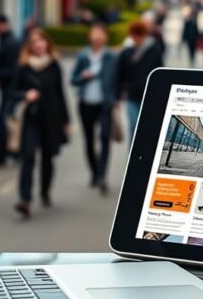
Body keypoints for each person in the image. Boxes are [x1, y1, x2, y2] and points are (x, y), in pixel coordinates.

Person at [13, 29, 70, 216]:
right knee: (28, 155)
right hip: (30, 117)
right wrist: (25, 95)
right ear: (29, 46)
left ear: (47, 44)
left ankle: (45, 191)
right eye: (34, 42)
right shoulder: (23, 66)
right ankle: (25, 200)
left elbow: (60, 94)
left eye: (41, 41)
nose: (38, 45)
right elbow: (12, 92)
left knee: (48, 157)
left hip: (51, 117)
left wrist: (66, 120)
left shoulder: (54, 65)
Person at [70, 23, 117, 193]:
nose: (97, 36)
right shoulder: (83, 56)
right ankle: (94, 172)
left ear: (105, 37)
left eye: (100, 33)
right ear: (90, 36)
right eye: (94, 33)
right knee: (89, 139)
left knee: (104, 138)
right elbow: (73, 80)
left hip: (104, 104)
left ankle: (102, 176)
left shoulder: (111, 57)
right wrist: (83, 76)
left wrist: (116, 98)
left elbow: (118, 80)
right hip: (85, 103)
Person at [117, 20, 165, 138]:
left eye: (138, 35)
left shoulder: (154, 50)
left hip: (148, 96)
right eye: (133, 35)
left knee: (146, 127)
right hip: (131, 95)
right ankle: (131, 154)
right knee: (133, 126)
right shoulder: (127, 51)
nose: (136, 39)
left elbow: (159, 73)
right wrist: (118, 94)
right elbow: (120, 73)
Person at [0, 14, 22, 166]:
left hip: (7, 89)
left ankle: (3, 154)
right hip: (5, 89)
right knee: (3, 122)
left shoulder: (10, 43)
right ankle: (5, 153)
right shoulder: (6, 41)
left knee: (3, 122)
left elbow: (14, 70)